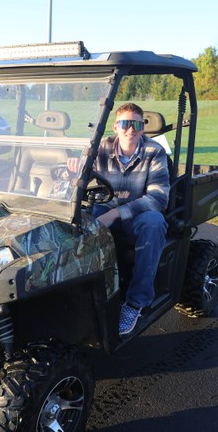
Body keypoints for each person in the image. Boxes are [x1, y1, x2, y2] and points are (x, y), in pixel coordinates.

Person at [69, 103, 170, 335]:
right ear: (116, 126)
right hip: (103, 208)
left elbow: (158, 198)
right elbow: (82, 176)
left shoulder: (154, 151)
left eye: (136, 124)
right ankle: (80, 290)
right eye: (125, 124)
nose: (130, 130)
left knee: (155, 222)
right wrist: (74, 170)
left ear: (142, 128)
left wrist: (115, 214)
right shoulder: (100, 146)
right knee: (74, 222)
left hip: (137, 215)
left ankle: (136, 302)